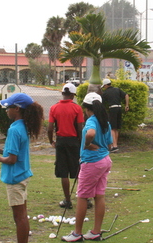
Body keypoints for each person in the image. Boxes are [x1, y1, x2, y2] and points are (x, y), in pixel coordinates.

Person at [0, 93, 43, 243]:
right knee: (22, 215)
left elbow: (12, 159)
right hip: (22, 176)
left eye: (8, 107)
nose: (6, 110)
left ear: (17, 109)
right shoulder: (22, 126)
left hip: (15, 179)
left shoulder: (13, 130)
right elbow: (13, 152)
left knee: (19, 218)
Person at [61, 92, 113, 242]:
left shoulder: (92, 121)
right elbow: (109, 144)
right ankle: (95, 232)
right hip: (104, 161)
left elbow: (90, 133)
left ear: (87, 108)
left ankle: (77, 234)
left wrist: (86, 144)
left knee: (83, 196)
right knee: (99, 195)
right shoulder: (105, 122)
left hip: (92, 163)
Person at [47, 83, 84, 209]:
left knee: (63, 172)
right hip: (74, 141)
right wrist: (81, 141)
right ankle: (85, 199)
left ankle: (67, 200)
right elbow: (80, 128)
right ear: (73, 95)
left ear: (63, 93)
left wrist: (51, 141)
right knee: (79, 171)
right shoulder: (77, 108)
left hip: (61, 142)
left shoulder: (54, 108)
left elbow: (50, 128)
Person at [101, 78, 129, 152]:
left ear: (106, 85)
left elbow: (102, 104)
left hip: (112, 109)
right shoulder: (117, 89)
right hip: (119, 108)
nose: (104, 87)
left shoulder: (105, 93)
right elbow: (126, 95)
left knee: (112, 128)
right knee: (116, 128)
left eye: (104, 86)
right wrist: (126, 105)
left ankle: (114, 146)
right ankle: (115, 145)